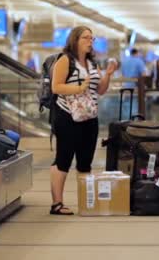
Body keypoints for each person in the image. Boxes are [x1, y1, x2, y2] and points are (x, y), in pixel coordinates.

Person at [49, 26, 117, 215]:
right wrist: (79, 87)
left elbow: (100, 90)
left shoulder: (91, 63)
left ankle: (85, 202)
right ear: (75, 40)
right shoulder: (65, 60)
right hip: (67, 116)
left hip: (89, 117)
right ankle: (57, 203)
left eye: (92, 38)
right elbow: (56, 87)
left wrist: (109, 74)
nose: (90, 41)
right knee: (63, 159)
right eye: (86, 38)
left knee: (85, 161)